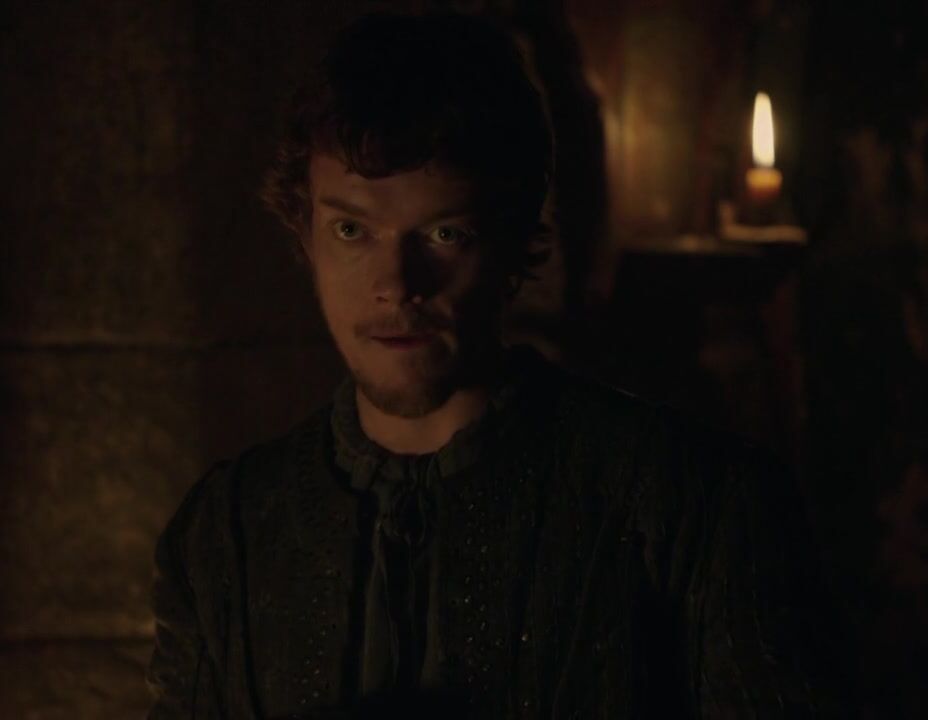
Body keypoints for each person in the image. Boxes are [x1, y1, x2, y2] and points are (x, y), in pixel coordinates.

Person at [147, 12, 839, 719]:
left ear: (511, 239)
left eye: (444, 233)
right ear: (306, 235)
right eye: (352, 229)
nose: (397, 284)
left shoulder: (688, 508)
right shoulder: (226, 535)